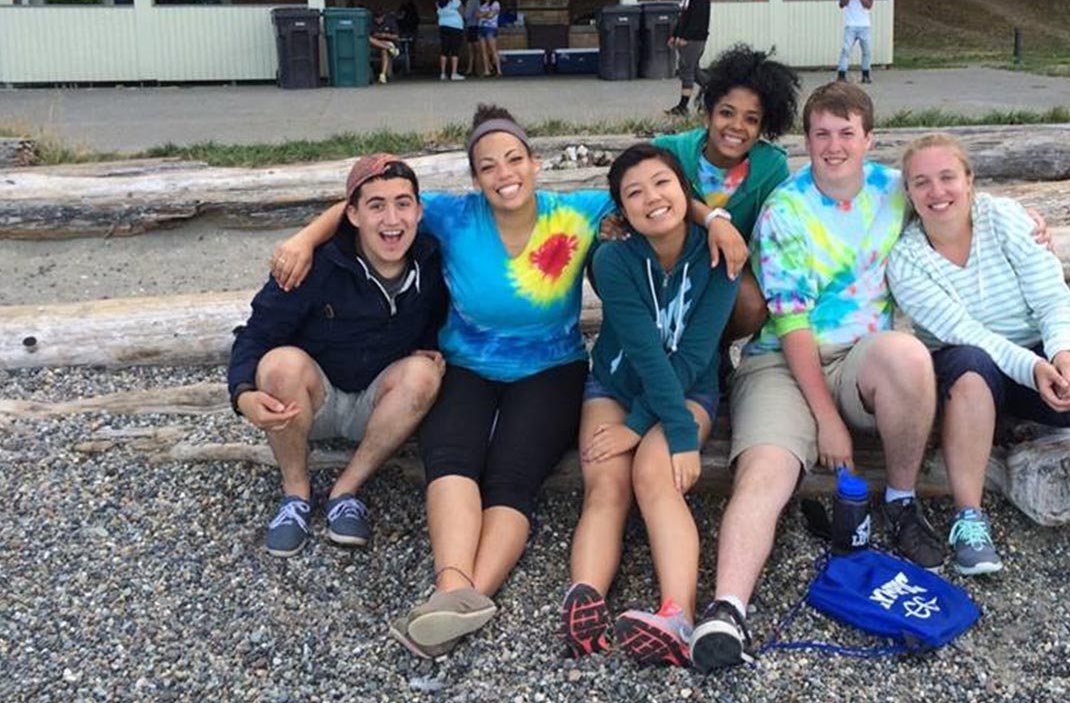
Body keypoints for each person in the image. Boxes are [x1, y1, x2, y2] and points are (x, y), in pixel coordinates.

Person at [271, 105, 617, 658]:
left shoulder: (576, 212)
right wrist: (304, 240)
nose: (505, 174)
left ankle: (462, 601)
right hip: (465, 363)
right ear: (474, 177)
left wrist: (715, 220)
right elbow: (364, 203)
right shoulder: (453, 215)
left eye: (514, 160)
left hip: (553, 367)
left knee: (512, 474)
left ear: (535, 162)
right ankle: (452, 585)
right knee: (451, 458)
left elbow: (654, 190)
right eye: (488, 166)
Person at [687, 82, 947, 673]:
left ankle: (902, 502)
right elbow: (792, 322)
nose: (834, 146)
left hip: (862, 356)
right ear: (806, 141)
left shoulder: (893, 190)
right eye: (822, 134)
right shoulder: (786, 208)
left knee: (908, 356)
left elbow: (955, 203)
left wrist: (1022, 217)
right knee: (767, 471)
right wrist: (826, 421)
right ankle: (727, 609)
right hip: (784, 357)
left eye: (846, 133)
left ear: (868, 138)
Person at [887, 133, 1070, 611]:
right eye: (921, 182)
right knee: (969, 368)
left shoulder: (1006, 219)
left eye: (947, 177)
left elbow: (1052, 297)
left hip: (1040, 350)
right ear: (909, 193)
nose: (936, 191)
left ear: (970, 181)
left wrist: (1067, 352)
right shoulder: (906, 258)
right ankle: (969, 518)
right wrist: (1034, 370)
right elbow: (966, 331)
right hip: (969, 358)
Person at [561, 144, 739, 668]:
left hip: (688, 392)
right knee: (605, 478)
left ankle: (677, 615)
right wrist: (633, 417)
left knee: (653, 473)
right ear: (621, 211)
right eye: (634, 193)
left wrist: (662, 429)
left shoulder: (719, 252)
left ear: (684, 190)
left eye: (662, 184)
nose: (652, 199)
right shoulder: (613, 259)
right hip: (615, 384)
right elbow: (640, 349)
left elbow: (693, 357)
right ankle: (584, 598)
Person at [228, 155, 448, 558]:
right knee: (279, 364)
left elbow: (441, 315)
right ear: (352, 214)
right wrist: (243, 395)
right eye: (376, 205)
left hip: (378, 402)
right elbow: (255, 335)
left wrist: (433, 344)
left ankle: (346, 490)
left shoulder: (432, 261)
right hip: (313, 400)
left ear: (418, 210)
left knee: (424, 373)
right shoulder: (314, 264)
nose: (391, 219)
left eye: (402, 203)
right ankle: (295, 492)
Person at [653, 43, 801, 341]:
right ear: (708, 115)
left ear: (763, 128)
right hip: (666, 263)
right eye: (727, 113)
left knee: (750, 302)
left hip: (724, 270)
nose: (736, 126)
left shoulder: (772, 167)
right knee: (605, 255)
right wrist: (710, 218)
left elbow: (776, 234)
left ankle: (714, 352)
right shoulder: (669, 151)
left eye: (751, 119)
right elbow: (634, 197)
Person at [666, 0, 712, 117]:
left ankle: (682, 107)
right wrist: (675, 34)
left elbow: (698, 17)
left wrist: (686, 36)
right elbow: (684, 16)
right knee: (694, 70)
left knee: (686, 68)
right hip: (687, 36)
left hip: (695, 38)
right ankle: (718, 89)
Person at [836, 0, 875, 84]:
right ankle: (841, 74)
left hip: (864, 25)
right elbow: (841, 4)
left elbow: (869, 5)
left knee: (866, 51)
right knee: (846, 49)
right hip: (850, 25)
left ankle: (866, 74)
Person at [436, 0, 465, 81]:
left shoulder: (439, 2)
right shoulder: (455, 0)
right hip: (455, 26)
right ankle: (454, 73)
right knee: (454, 50)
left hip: (443, 25)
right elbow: (462, 11)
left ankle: (443, 73)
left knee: (444, 49)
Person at [370, 10, 401, 85]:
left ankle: (383, 74)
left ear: (383, 17)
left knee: (384, 50)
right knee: (370, 39)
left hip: (389, 42)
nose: (378, 20)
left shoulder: (390, 23)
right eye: (376, 19)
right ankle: (389, 48)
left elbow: (396, 36)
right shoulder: (372, 24)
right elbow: (371, 35)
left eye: (379, 18)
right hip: (377, 45)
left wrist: (385, 35)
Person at [477, 0, 501, 77]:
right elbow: (477, 15)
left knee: (493, 49)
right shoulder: (482, 5)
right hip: (481, 27)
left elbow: (491, 15)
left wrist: (483, 15)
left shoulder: (495, 3)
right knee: (483, 50)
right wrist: (485, 14)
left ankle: (498, 70)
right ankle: (487, 70)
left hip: (491, 27)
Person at [460, 0, 483, 76]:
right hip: (475, 25)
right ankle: (475, 68)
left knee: (472, 50)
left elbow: (467, 15)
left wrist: (461, 9)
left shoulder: (470, 2)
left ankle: (472, 69)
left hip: (471, 26)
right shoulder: (477, 1)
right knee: (475, 50)